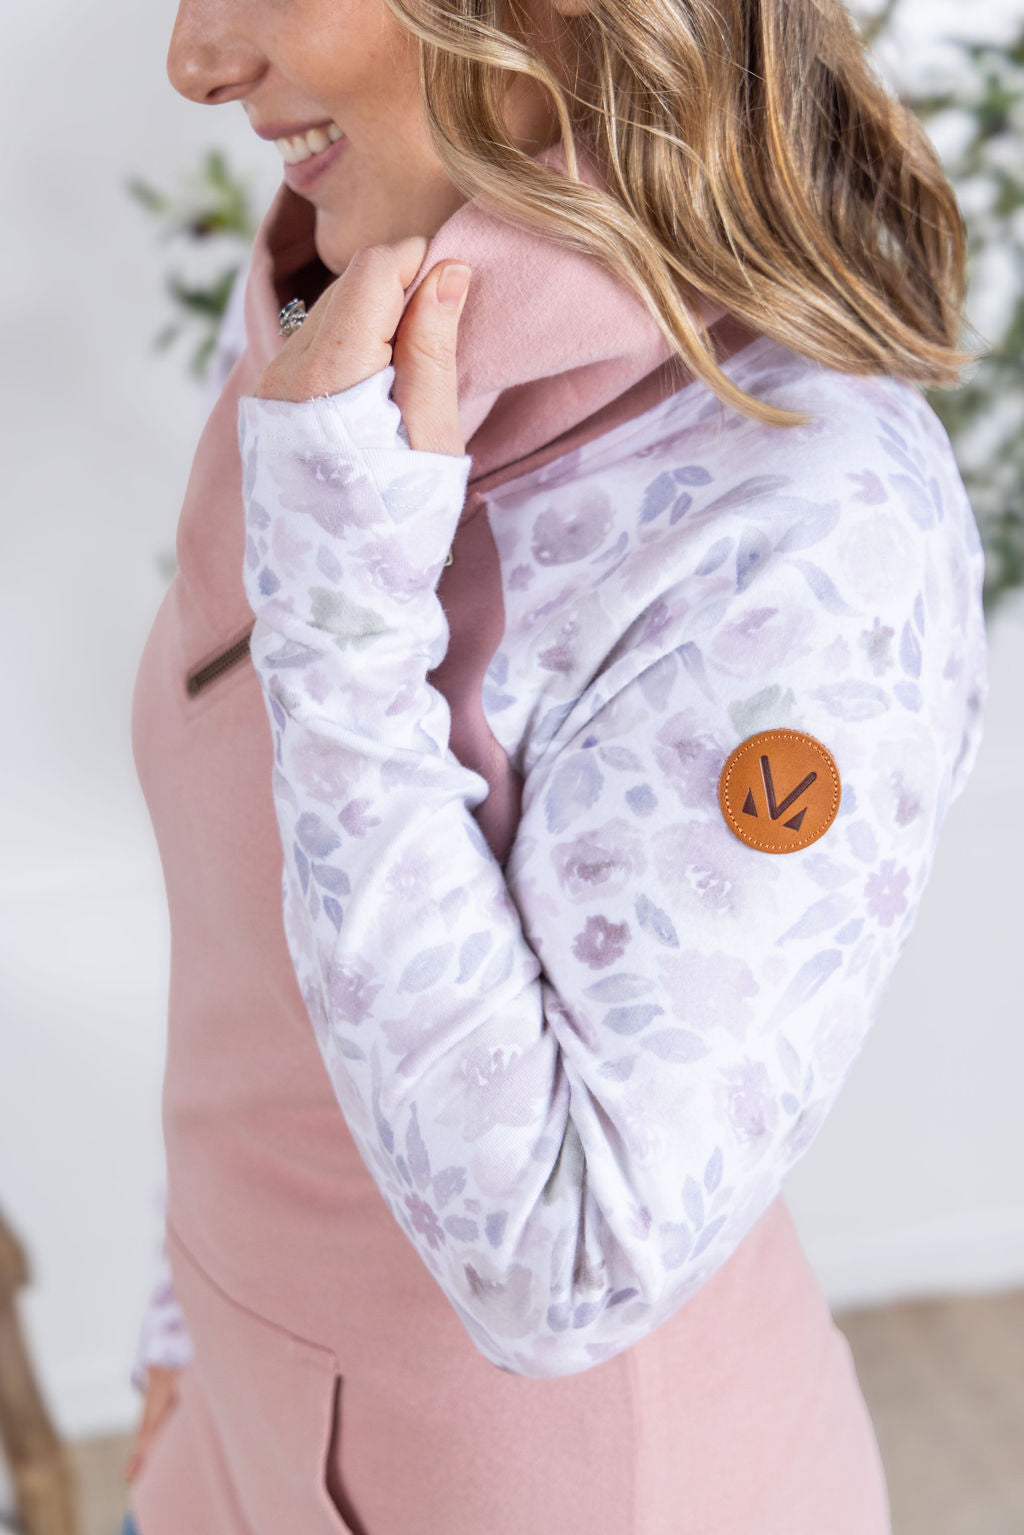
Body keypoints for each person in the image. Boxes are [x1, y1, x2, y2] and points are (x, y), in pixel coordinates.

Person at [121, 0, 989, 1528]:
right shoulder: (349, 308)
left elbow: (566, 1266)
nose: (194, 58)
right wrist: (182, 1335)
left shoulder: (806, 526)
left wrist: (346, 635)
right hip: (223, 1461)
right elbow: (251, 956)